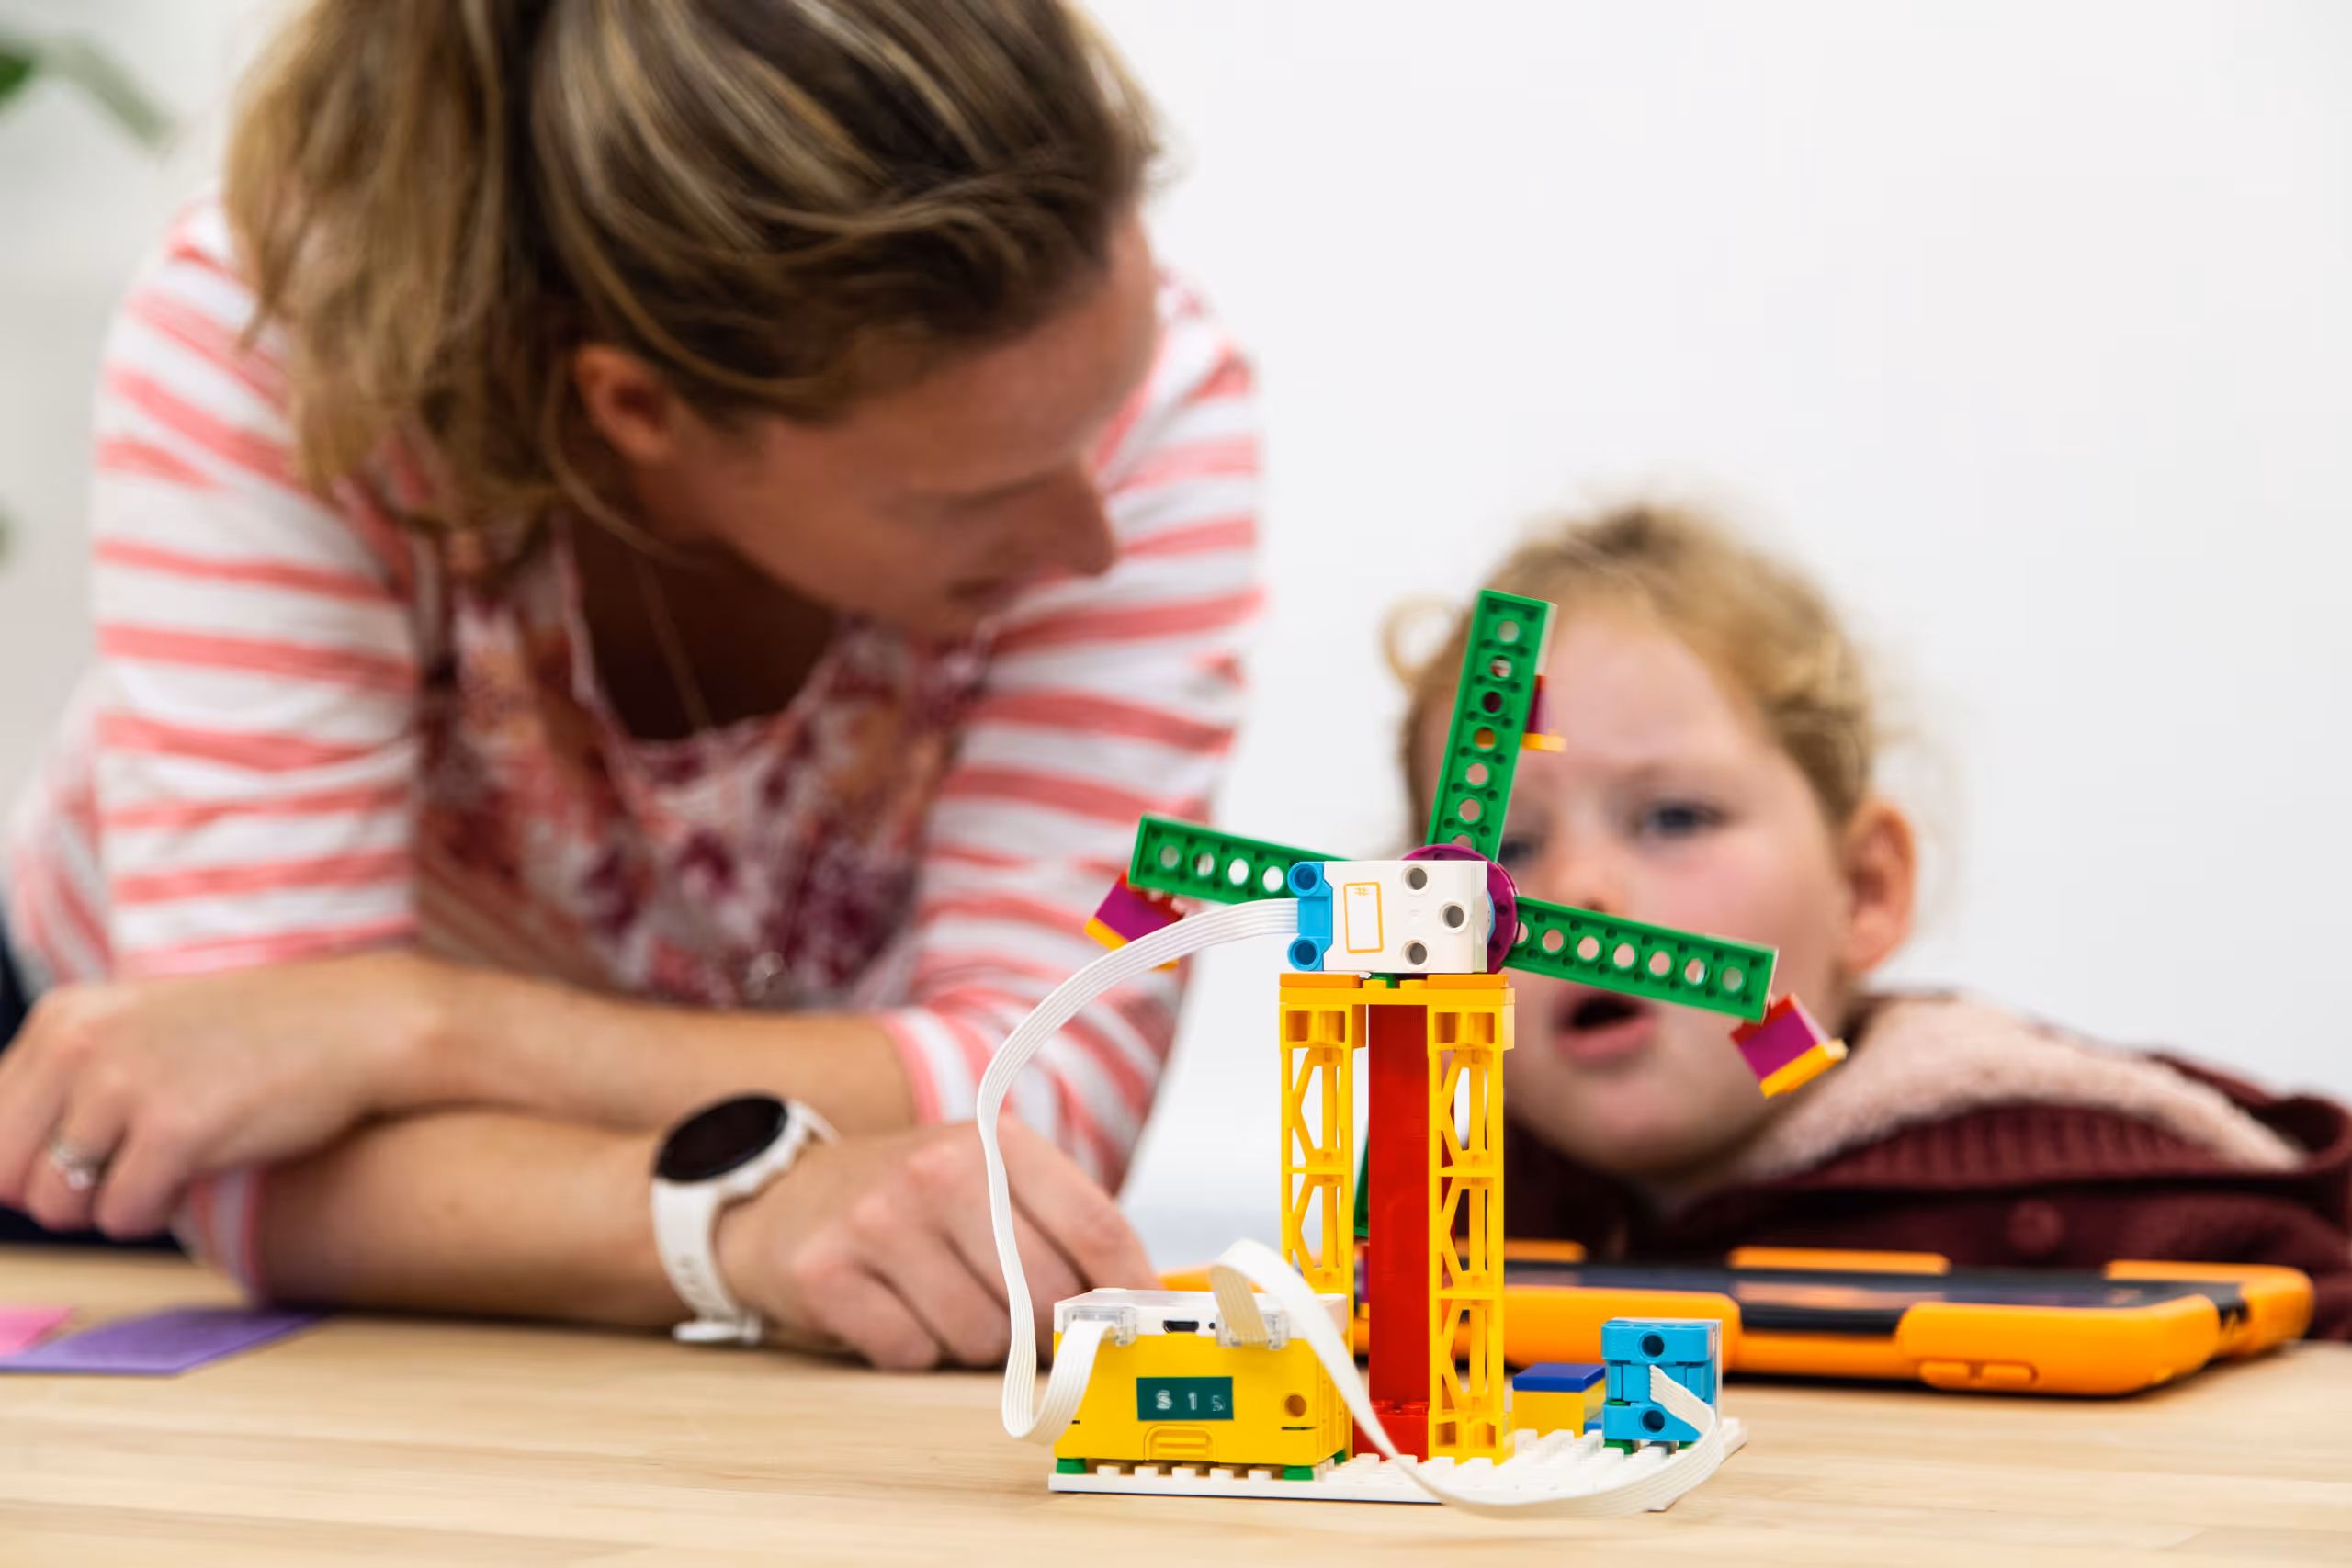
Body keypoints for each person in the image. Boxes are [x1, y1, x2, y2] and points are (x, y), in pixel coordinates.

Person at [0, 0, 1262, 1371]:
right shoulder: (282, 354)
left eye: (1099, 429)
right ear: (636, 408)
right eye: (971, 499)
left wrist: (401, 1022)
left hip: (747, 1195)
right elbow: (237, 1125)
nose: (1091, 542)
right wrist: (748, 1213)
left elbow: (1043, 1103)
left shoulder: (1147, 410)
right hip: (94, 1166)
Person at [1394, 503, 2352, 1337]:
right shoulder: (1450, 1192)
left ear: (1864, 891)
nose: (1573, 894)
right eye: (1506, 852)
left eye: (1672, 817)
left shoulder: (2066, 1189)